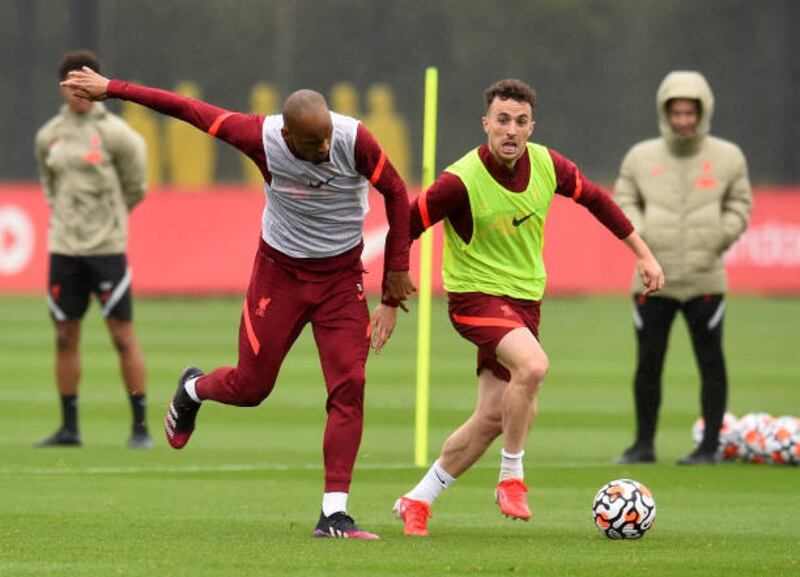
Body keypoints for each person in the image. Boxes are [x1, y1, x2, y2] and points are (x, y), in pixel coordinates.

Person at [62, 66, 415, 539]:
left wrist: (395, 276)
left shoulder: (353, 138)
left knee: (349, 386)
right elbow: (185, 109)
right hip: (280, 274)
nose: (326, 151)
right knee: (252, 388)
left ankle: (334, 513)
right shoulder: (261, 136)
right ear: (288, 135)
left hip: (340, 279)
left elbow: (395, 191)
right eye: (314, 145)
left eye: (328, 138)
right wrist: (113, 89)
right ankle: (193, 390)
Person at [378, 78, 664, 537]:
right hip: (474, 299)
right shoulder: (460, 181)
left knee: (495, 416)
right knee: (532, 367)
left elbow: (597, 200)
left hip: (525, 304)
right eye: (503, 120)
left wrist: (643, 253)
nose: (511, 130)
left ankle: (418, 499)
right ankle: (511, 478)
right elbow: (404, 227)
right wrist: (390, 299)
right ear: (486, 123)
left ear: (532, 126)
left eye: (521, 121)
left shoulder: (549, 165)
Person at [612, 71, 752, 466]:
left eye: (691, 112)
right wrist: (645, 239)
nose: (684, 120)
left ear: (703, 112)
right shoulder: (640, 157)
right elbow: (623, 202)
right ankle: (643, 445)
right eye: (677, 112)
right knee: (648, 364)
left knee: (711, 364)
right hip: (651, 280)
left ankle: (709, 447)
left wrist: (715, 238)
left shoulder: (729, 156)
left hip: (706, 277)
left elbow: (740, 205)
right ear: (665, 112)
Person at [34, 50, 151, 450]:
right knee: (65, 336)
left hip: (106, 247)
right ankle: (69, 428)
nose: (78, 91)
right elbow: (49, 184)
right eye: (71, 83)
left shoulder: (118, 135)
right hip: (64, 247)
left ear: (97, 85)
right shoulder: (48, 135)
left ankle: (140, 428)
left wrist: (112, 218)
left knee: (122, 336)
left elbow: (136, 185)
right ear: (63, 87)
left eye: (85, 82)